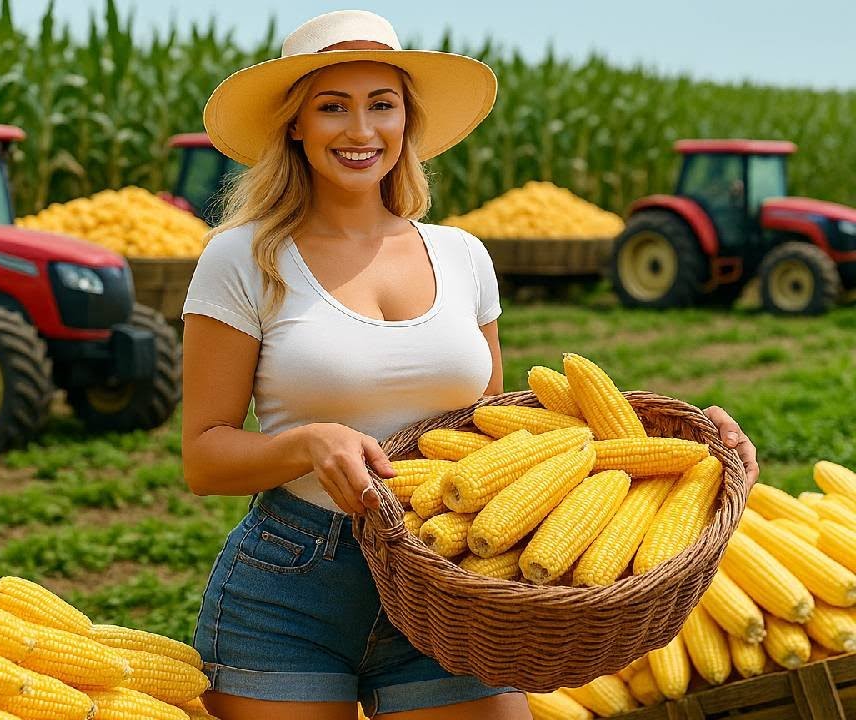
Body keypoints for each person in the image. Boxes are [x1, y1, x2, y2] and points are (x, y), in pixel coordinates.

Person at [180, 10, 760, 720]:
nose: (361, 130)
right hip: (294, 580)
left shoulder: (462, 256)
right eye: (332, 107)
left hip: (457, 577)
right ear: (295, 126)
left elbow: (500, 433)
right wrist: (306, 443)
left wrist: (692, 456)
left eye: (382, 105)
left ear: (406, 122)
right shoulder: (243, 258)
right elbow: (203, 458)